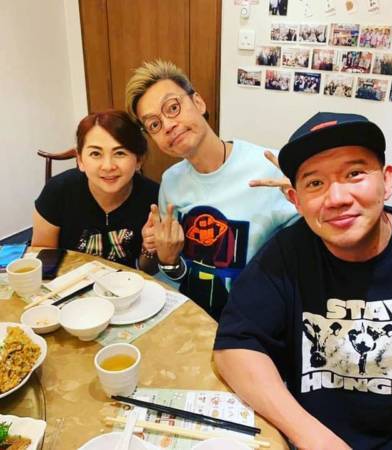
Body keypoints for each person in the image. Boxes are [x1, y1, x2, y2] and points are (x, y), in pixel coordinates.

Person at [214, 112, 392, 449]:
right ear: (295, 200)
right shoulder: (286, 255)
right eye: (315, 183)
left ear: (387, 181)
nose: (337, 198)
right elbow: (235, 346)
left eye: (354, 174)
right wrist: (314, 438)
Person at [125, 60, 296, 320]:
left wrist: (310, 199)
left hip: (254, 322)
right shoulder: (171, 181)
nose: (168, 125)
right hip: (190, 317)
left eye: (173, 108)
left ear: (199, 103)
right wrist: (164, 256)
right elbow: (175, 275)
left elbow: (314, 259)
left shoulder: (272, 168)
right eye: (154, 125)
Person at [32, 110, 159, 273]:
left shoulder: (153, 197)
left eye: (120, 153)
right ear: (80, 160)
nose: (108, 166)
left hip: (125, 284)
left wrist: (148, 249)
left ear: (138, 160)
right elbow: (43, 261)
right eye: (95, 153)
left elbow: (148, 271)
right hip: (68, 282)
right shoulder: (58, 191)